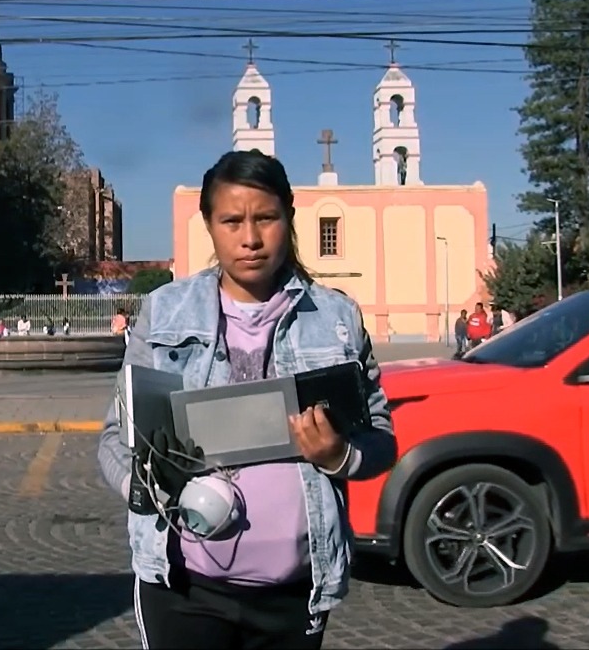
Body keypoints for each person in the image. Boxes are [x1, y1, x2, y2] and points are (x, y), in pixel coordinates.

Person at [97, 150, 397, 650]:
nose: (251, 238)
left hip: (296, 591)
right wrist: (144, 485)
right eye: (232, 221)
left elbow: (382, 442)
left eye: (266, 218)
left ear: (289, 217)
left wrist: (340, 456)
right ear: (210, 227)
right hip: (184, 588)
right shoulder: (166, 311)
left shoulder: (336, 318)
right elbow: (114, 438)